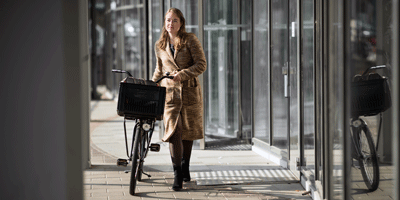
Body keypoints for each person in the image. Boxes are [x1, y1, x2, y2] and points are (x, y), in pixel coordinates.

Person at [152, 8, 207, 191]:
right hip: (171, 96)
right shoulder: (160, 45)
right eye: (168, 20)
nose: (171, 23)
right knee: (175, 131)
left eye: (175, 20)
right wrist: (152, 85)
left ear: (181, 23)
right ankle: (177, 173)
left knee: (188, 133)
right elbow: (159, 71)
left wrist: (182, 75)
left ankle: (185, 167)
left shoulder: (190, 40)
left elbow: (201, 64)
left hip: (189, 92)